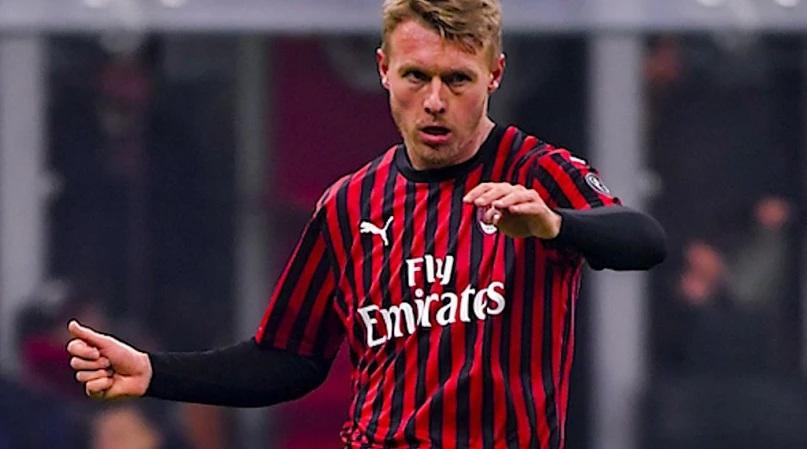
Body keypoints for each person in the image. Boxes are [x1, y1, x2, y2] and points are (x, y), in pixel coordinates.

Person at [67, 1, 667, 448]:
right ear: (384, 69)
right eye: (416, 76)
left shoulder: (533, 173)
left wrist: (554, 226)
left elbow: (643, 241)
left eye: (457, 79)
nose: (435, 100)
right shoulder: (349, 204)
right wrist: (154, 372)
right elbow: (286, 359)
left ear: (495, 74)